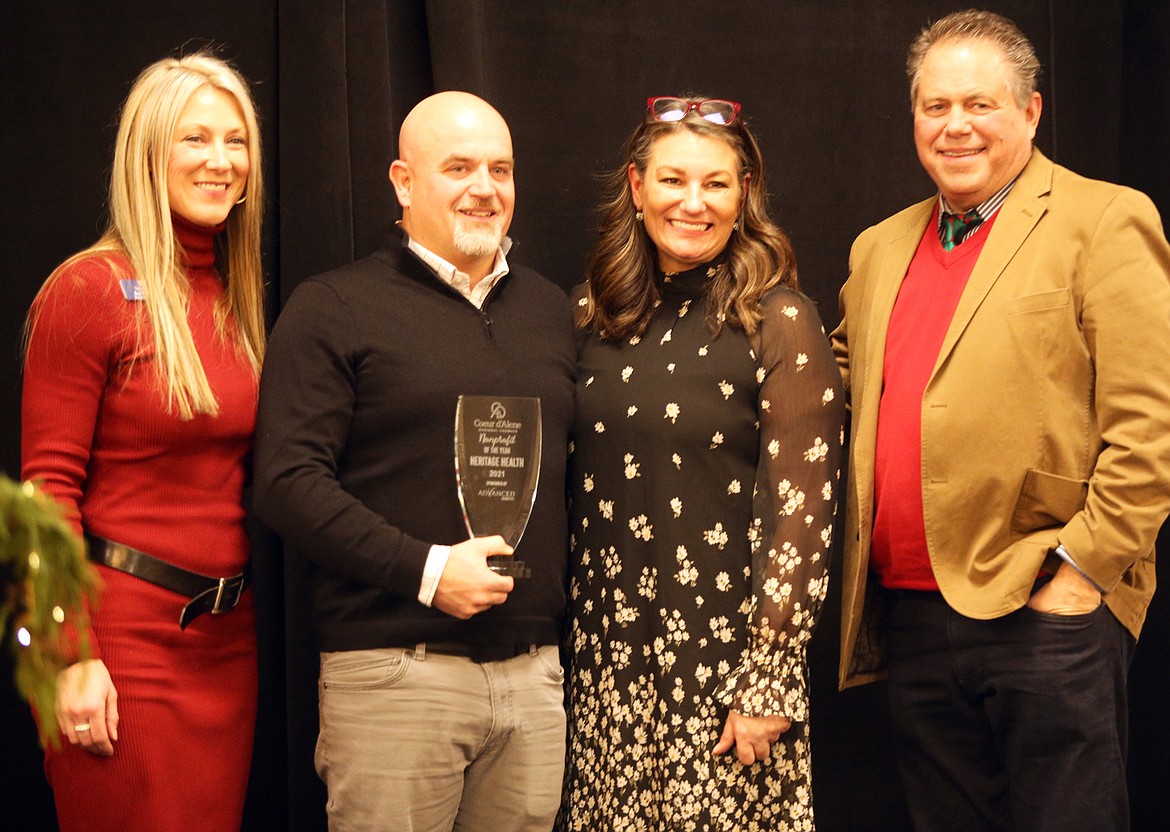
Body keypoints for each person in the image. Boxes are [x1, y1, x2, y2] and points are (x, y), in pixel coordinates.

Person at [832, 9, 1170, 832]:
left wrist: (1081, 573)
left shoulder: (1104, 220)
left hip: (1042, 605)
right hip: (909, 613)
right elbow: (837, 383)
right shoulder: (879, 247)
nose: (955, 127)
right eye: (935, 106)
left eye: (979, 104)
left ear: (1031, 112)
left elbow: (1152, 425)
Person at [253, 91, 575, 831]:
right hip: (397, 671)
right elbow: (286, 481)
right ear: (403, 183)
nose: (484, 188)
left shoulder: (552, 312)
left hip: (532, 679)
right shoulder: (334, 305)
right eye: (458, 167)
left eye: (501, 169)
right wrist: (428, 571)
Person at [563, 96, 845, 830]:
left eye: (716, 184)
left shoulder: (778, 320)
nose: (694, 203)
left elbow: (803, 514)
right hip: (608, 668)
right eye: (672, 180)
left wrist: (768, 681)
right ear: (636, 186)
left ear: (744, 193)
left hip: (725, 675)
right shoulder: (592, 314)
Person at [21, 52, 266, 830]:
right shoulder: (87, 290)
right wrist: (69, 657)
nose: (221, 162)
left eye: (236, 142)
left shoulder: (232, 295)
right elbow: (45, 493)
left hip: (224, 646)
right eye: (195, 139)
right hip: (120, 646)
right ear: (148, 152)